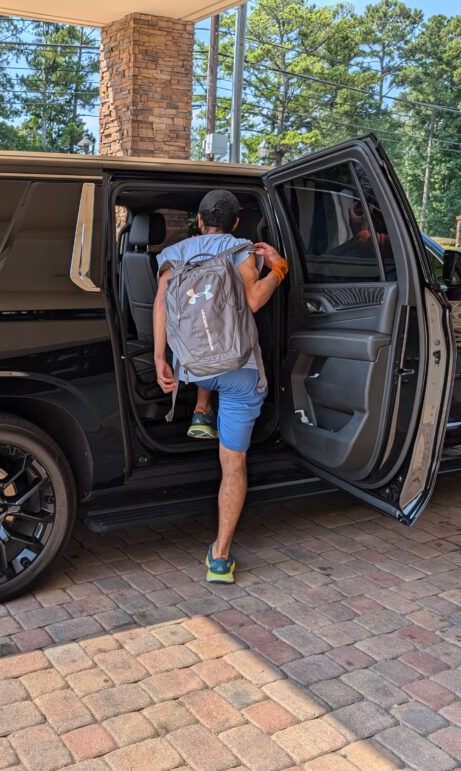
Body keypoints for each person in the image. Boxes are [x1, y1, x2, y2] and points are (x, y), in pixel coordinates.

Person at [152, 189, 288, 584]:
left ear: (198, 220)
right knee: (233, 463)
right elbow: (255, 300)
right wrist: (279, 268)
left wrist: (161, 359)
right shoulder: (239, 248)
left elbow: (162, 306)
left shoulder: (172, 255)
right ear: (235, 223)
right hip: (238, 370)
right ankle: (220, 557)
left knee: (204, 352)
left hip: (192, 369)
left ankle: (200, 410)